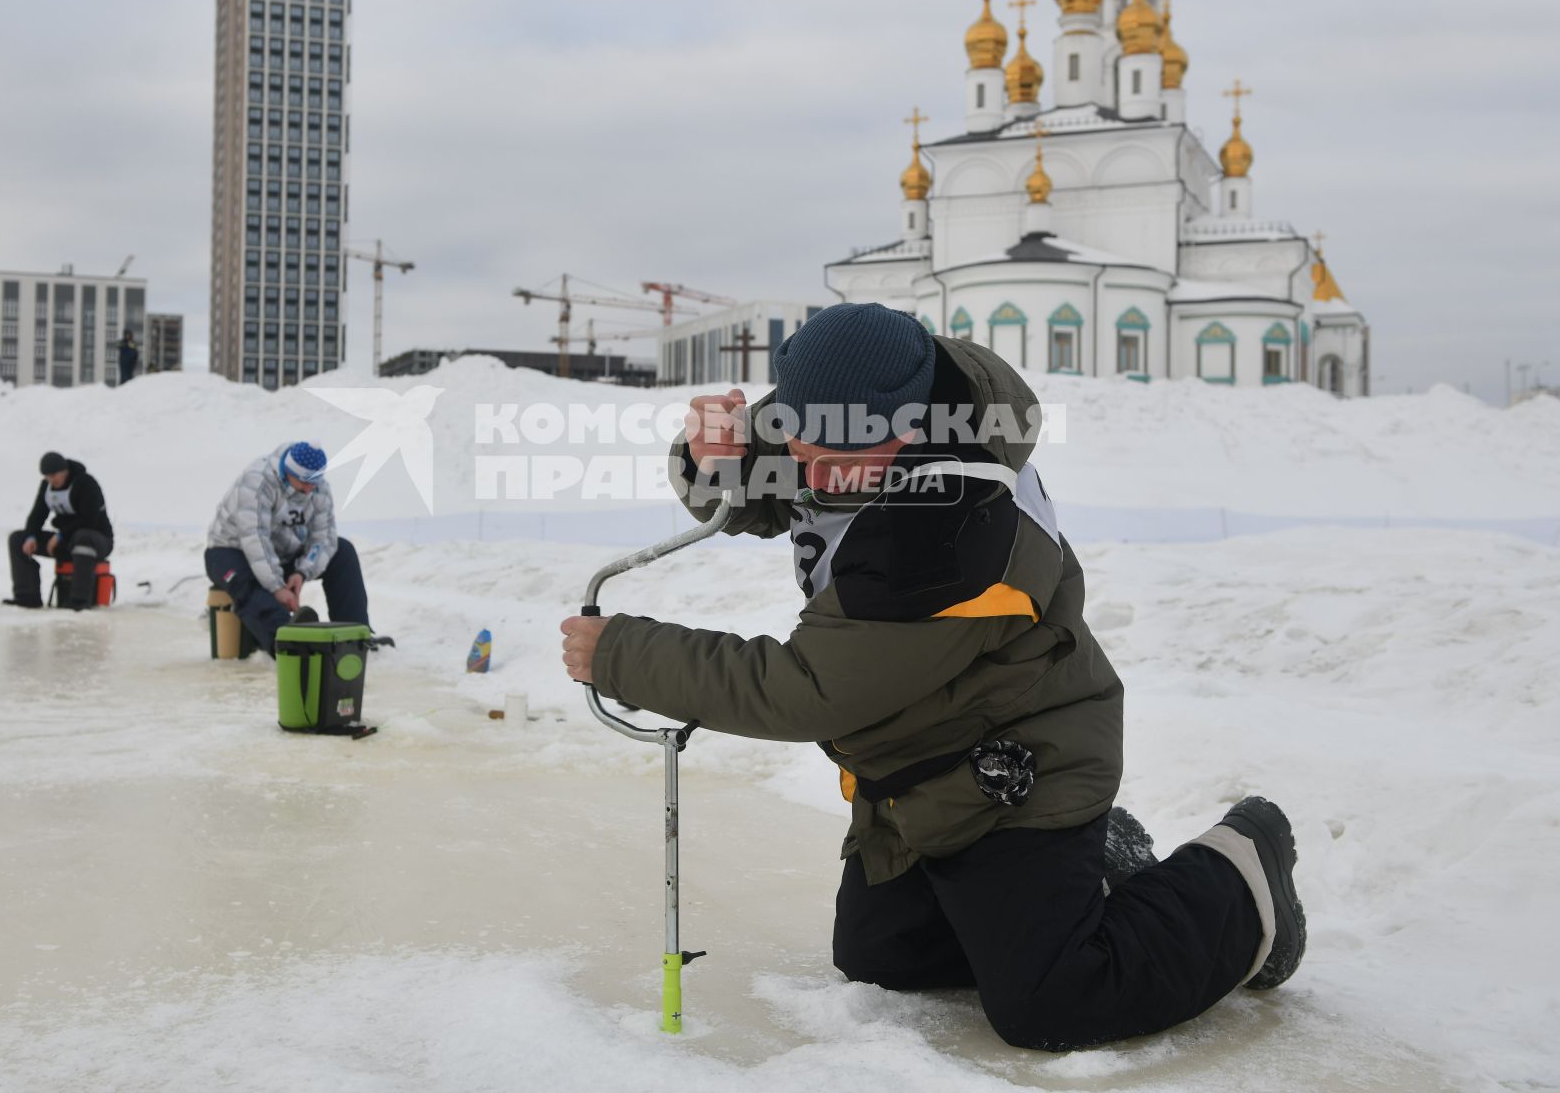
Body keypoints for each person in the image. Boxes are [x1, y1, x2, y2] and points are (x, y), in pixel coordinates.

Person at [558, 303, 1304, 1053]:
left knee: (1054, 1004)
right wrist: (708, 457)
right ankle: (1091, 872)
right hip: (924, 765)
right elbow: (755, 489)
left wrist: (622, 654)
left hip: (1022, 766)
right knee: (882, 961)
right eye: (795, 443)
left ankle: (1240, 873)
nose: (805, 473)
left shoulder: (949, 533)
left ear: (907, 431)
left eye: (828, 460)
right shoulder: (854, 400)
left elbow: (810, 690)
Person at [204, 440, 370, 655]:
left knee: (342, 551)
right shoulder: (256, 481)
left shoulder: (318, 488)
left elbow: (324, 538)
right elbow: (255, 539)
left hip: (281, 555)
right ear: (288, 472)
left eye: (315, 482)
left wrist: (302, 572)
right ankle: (290, 645)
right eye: (304, 482)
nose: (310, 489)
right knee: (248, 585)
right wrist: (277, 587)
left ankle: (354, 638)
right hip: (230, 551)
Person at [7, 451, 113, 609]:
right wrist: (31, 537)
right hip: (66, 542)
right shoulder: (47, 487)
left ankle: (79, 600)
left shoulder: (86, 483)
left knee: (82, 537)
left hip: (98, 541)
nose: (52, 480)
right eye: (47, 476)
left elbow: (89, 520)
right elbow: (37, 515)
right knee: (17, 539)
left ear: (65, 471)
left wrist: (61, 535)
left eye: (54, 475)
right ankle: (27, 597)